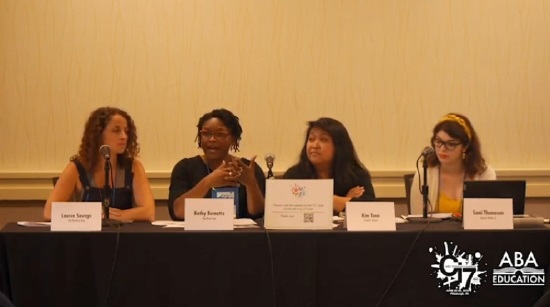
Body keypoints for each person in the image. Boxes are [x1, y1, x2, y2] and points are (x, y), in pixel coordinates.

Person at [43, 107, 155, 222]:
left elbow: (148, 212)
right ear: (98, 134)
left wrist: (120, 215)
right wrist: (94, 213)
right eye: (116, 130)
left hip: (122, 236)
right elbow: (49, 211)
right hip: (86, 237)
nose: (124, 136)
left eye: (126, 131)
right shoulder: (76, 167)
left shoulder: (133, 166)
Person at [168, 108, 266, 220]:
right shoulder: (185, 168)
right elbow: (178, 213)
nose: (212, 139)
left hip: (240, 236)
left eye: (220, 134)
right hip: (197, 235)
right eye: (206, 134)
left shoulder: (247, 169)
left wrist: (250, 184)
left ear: (233, 138)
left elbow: (258, 213)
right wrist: (207, 182)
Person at [283, 117, 376, 214]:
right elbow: (288, 209)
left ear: (338, 146)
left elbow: (369, 209)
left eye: (323, 140)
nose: (314, 145)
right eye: (311, 139)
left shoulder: (356, 175)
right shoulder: (294, 175)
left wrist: (330, 200)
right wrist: (344, 200)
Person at [410, 113, 496, 216]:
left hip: (472, 232)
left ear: (465, 146)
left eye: (451, 144)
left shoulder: (484, 174)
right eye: (438, 141)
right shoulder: (424, 174)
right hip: (433, 232)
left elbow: (488, 220)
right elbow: (417, 222)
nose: (442, 149)